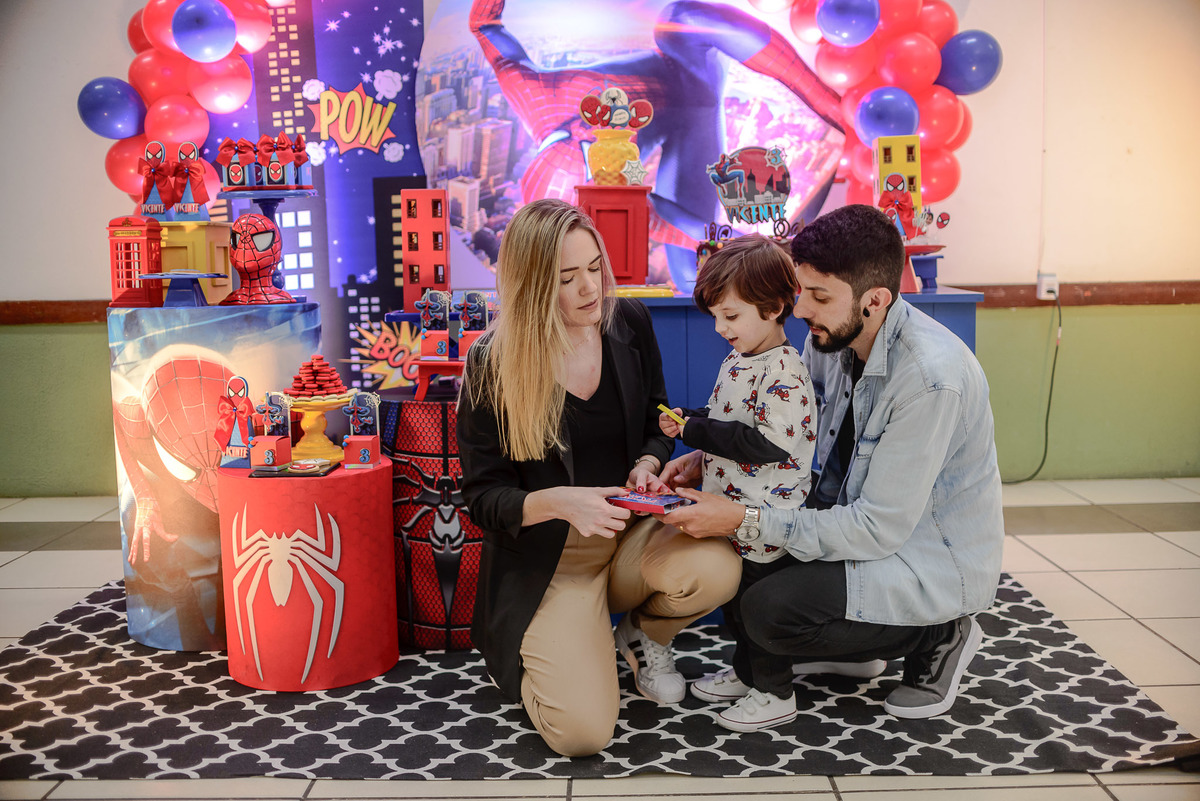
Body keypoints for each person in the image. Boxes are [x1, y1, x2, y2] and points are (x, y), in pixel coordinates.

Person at [658, 204, 1004, 728]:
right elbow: (790, 436)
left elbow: (877, 529)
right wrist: (708, 458)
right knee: (752, 569)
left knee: (768, 607)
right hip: (854, 520)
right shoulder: (829, 337)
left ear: (875, 300)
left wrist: (743, 518)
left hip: (919, 559)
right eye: (803, 291)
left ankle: (940, 632)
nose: (799, 310)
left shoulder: (930, 380)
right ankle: (836, 651)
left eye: (819, 297)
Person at [457, 198, 741, 756]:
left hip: (631, 539)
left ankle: (638, 635)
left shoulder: (629, 322)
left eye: (594, 267)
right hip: (552, 564)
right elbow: (483, 498)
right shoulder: (492, 362)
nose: (590, 288)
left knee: (717, 569)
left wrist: (648, 463)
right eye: (567, 278)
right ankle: (540, 654)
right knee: (583, 736)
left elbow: (658, 422)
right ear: (532, 287)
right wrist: (562, 501)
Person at [657, 234, 818, 732]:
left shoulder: (785, 372)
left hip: (768, 522)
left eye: (730, 315)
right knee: (736, 606)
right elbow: (727, 415)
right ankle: (748, 675)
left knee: (760, 612)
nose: (719, 328)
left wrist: (694, 431)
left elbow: (765, 443)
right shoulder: (741, 358)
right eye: (715, 316)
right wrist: (689, 418)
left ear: (773, 308)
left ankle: (775, 692)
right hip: (734, 514)